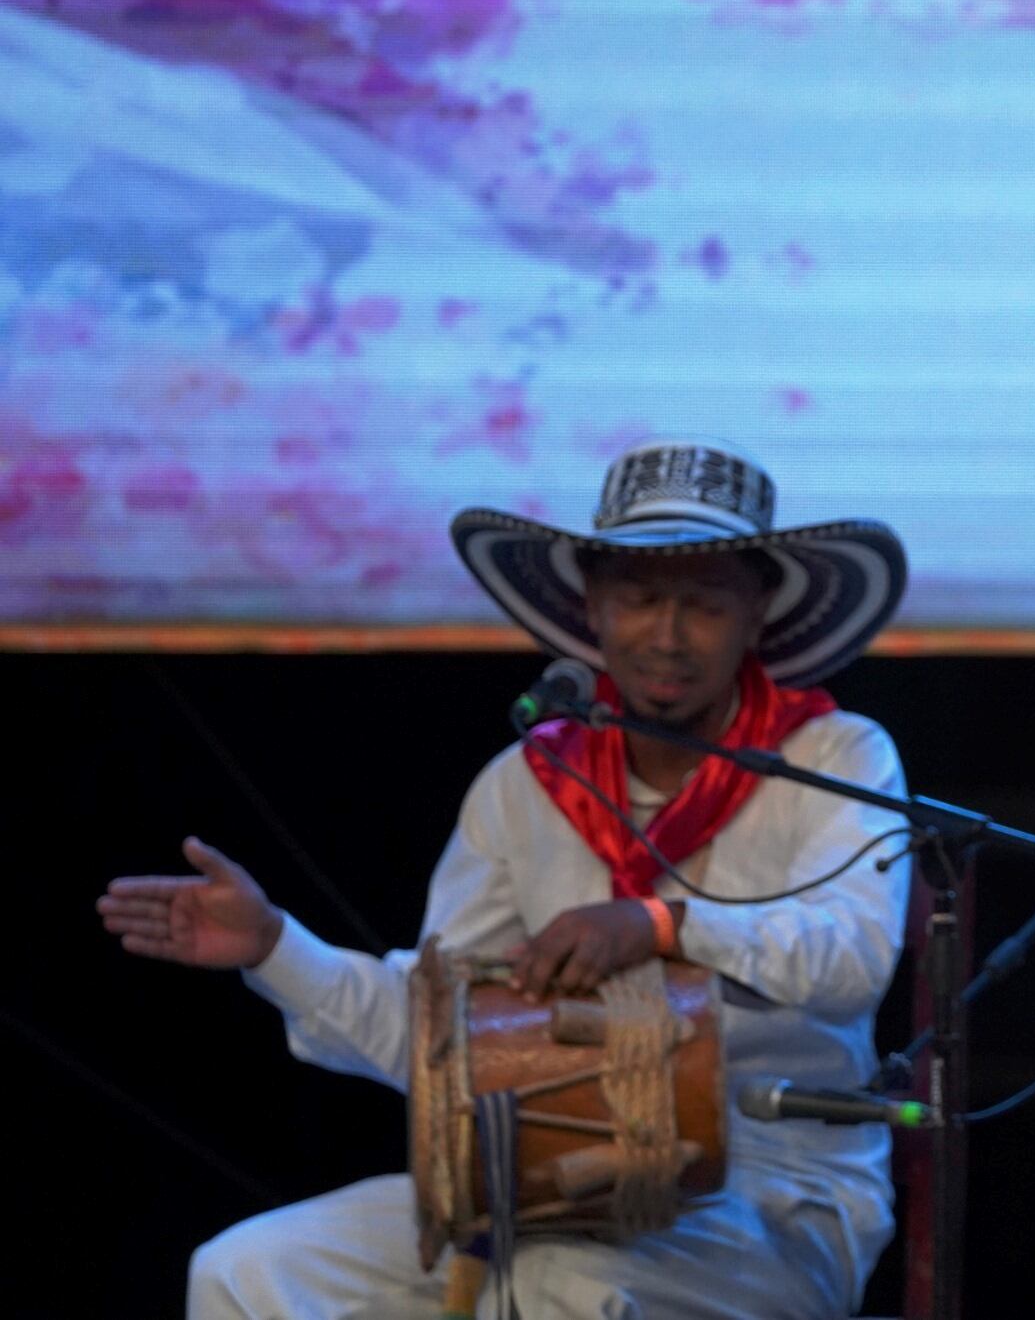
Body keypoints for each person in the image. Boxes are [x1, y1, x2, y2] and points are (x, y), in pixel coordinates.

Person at [98, 440, 915, 1319]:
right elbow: (447, 1037)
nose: (668, 635)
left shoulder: (834, 756)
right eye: (639, 599)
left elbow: (853, 960)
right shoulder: (529, 783)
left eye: (705, 606)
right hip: (548, 1184)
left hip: (770, 1192)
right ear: (592, 606)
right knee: (245, 1270)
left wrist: (661, 924)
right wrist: (273, 946)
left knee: (557, 1283)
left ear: (757, 615)